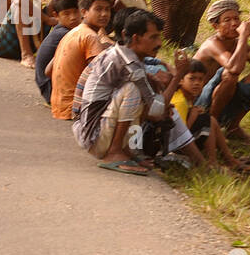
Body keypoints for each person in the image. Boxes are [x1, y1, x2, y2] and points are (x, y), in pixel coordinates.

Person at [72, 9, 202, 174]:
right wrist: (179, 75)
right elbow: (157, 109)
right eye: (153, 37)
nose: (159, 43)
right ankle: (114, 152)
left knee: (143, 96)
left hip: (95, 130)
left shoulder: (125, 56)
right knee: (133, 91)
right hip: (93, 136)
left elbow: (154, 107)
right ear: (135, 38)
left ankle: (129, 151)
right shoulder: (129, 64)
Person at [192, 0, 250, 172]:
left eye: (236, 19)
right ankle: (211, 129)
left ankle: (232, 127)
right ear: (215, 26)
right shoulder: (212, 44)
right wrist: (243, 36)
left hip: (220, 95)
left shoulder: (237, 43)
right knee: (229, 75)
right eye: (227, 20)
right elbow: (234, 68)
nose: (234, 24)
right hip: (198, 103)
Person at [49, 0, 113, 120]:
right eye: (98, 9)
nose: (104, 14)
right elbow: (101, 77)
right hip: (74, 109)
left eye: (107, 9)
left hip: (58, 107)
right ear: (84, 12)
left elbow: (48, 71)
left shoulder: (73, 32)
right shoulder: (90, 37)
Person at [34, 0, 81, 104]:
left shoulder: (65, 30)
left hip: (50, 85)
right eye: (66, 14)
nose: (73, 17)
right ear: (56, 15)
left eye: (76, 12)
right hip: (51, 88)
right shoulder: (64, 34)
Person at [171, 59, 211, 146]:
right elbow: (179, 137)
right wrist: (193, 116)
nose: (197, 83)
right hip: (175, 145)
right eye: (192, 79)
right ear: (181, 80)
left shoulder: (188, 98)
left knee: (211, 120)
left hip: (181, 139)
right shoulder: (180, 102)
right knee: (206, 119)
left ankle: (224, 153)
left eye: (200, 79)